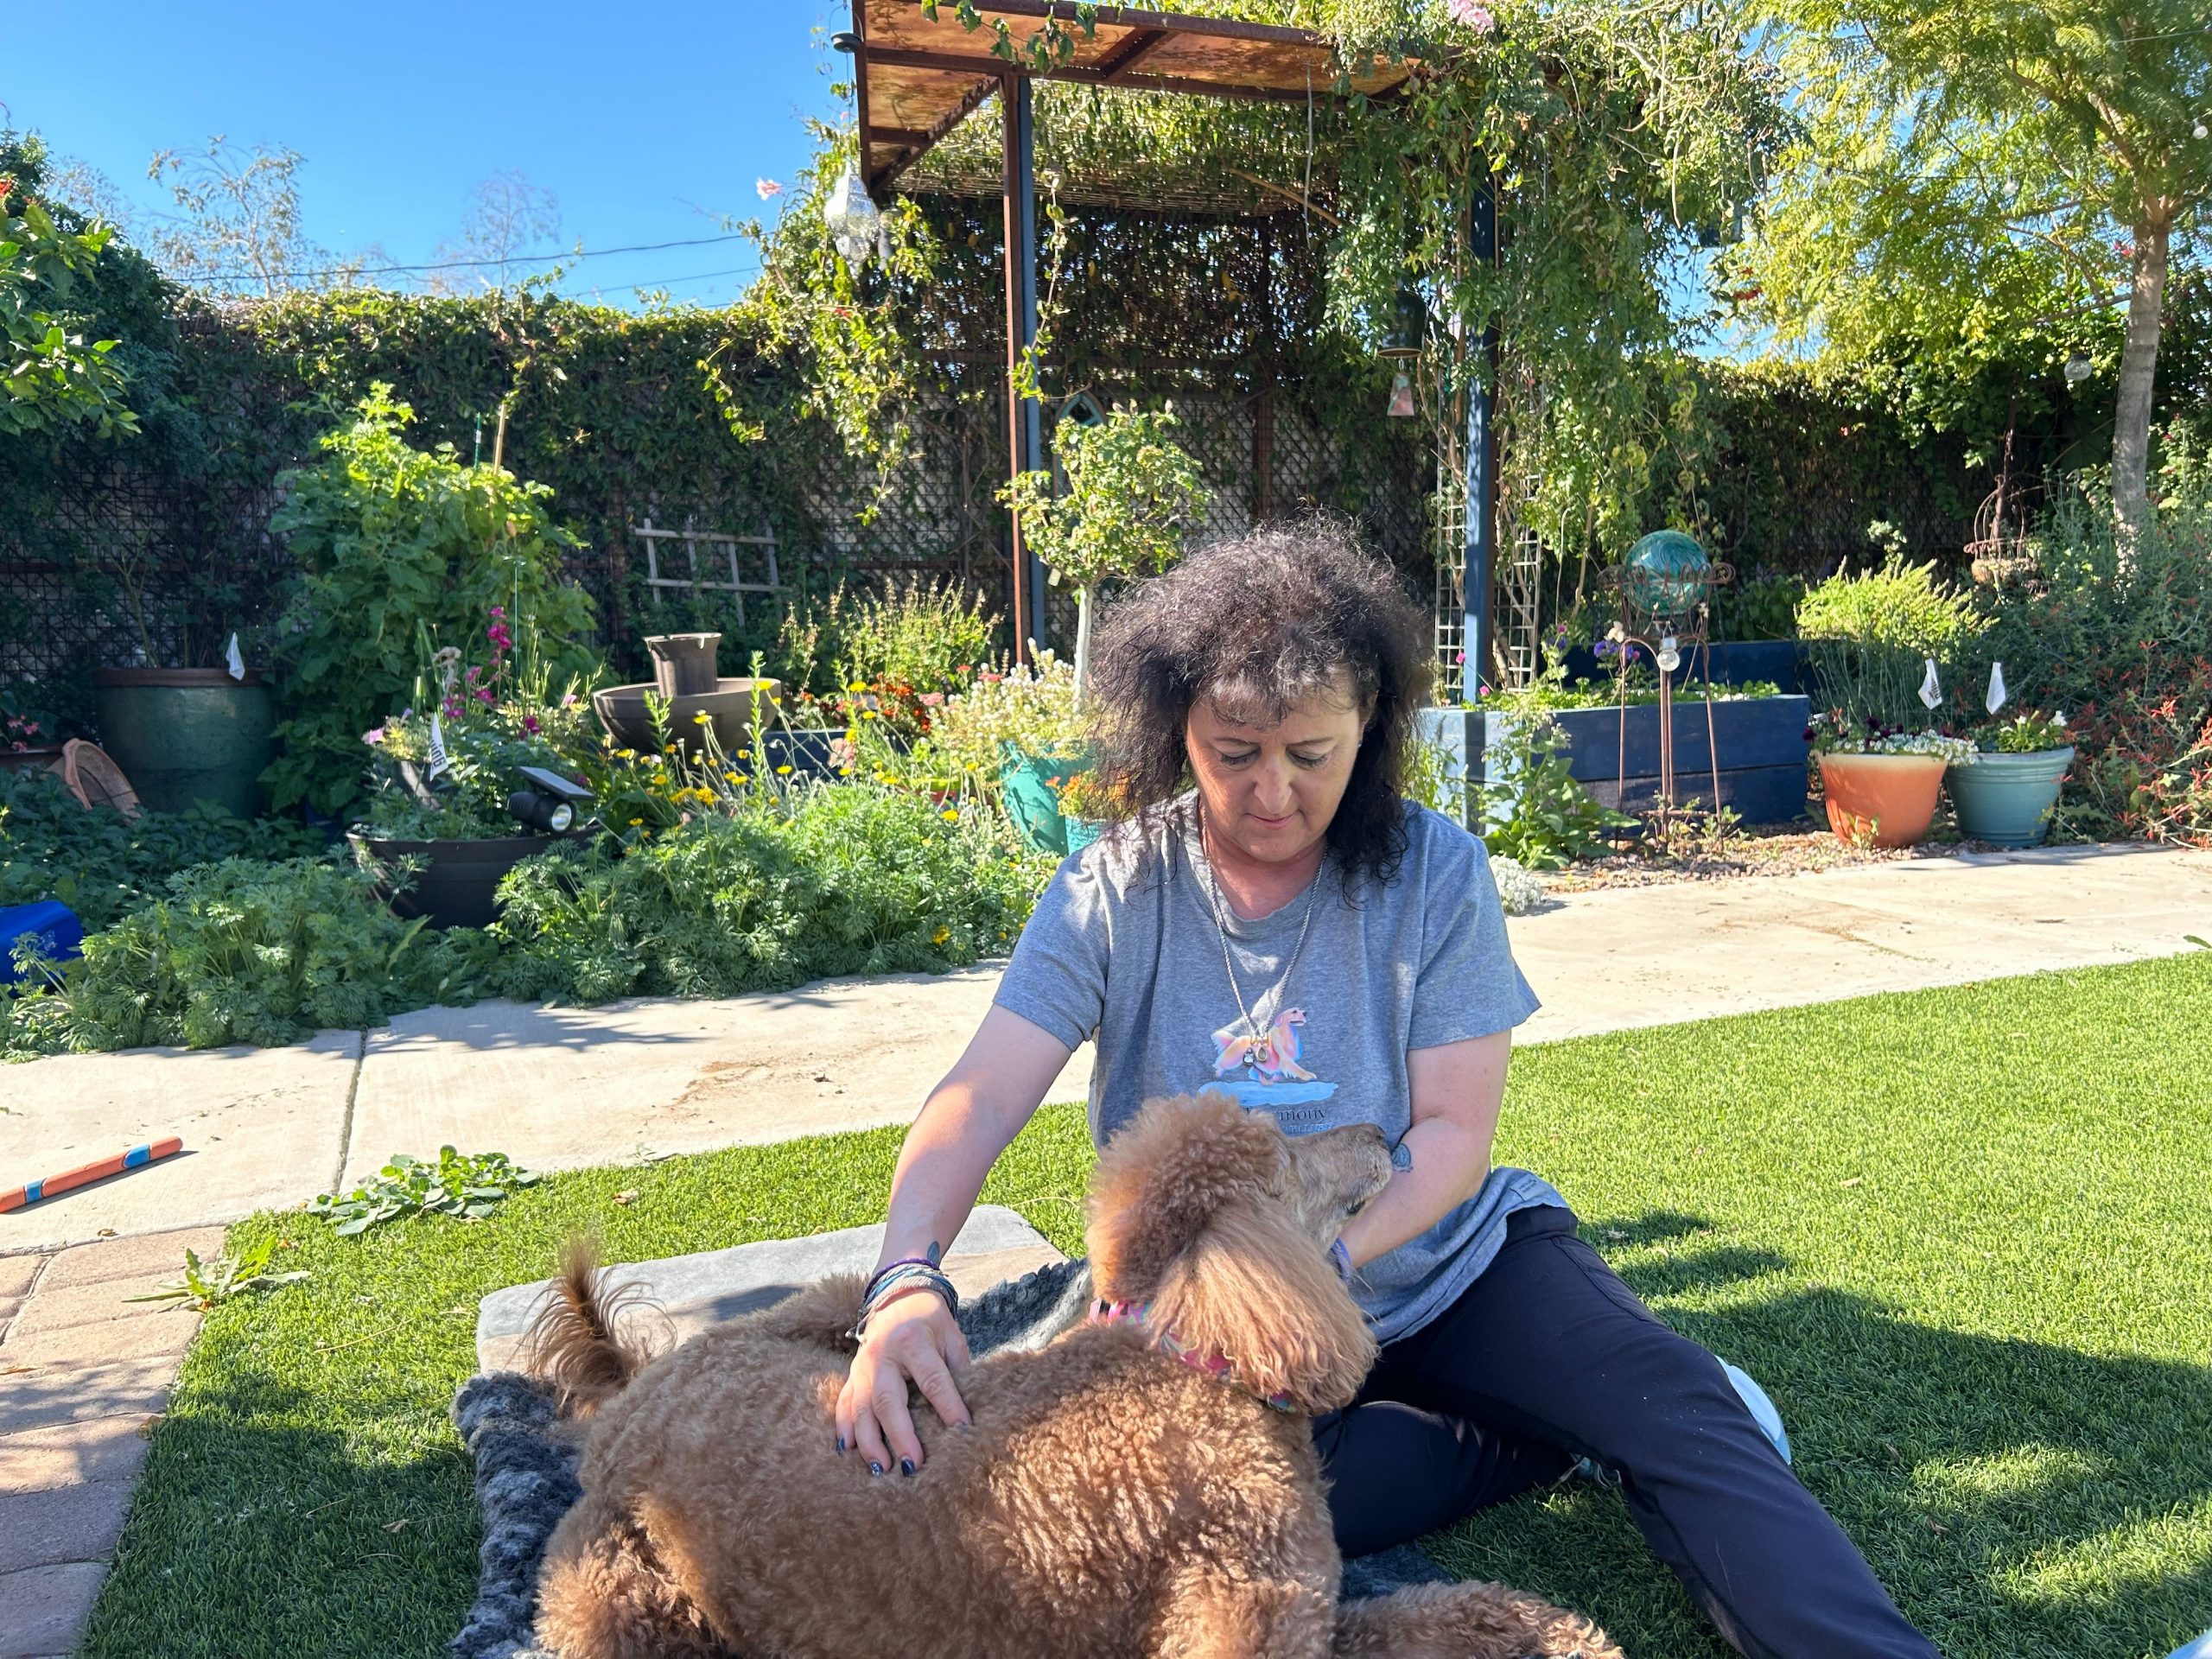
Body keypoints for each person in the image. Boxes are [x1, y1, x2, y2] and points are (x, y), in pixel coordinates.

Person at [836, 523, 1940, 1658]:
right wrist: (905, 1279)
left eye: (1311, 753)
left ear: (1369, 725)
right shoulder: (1112, 887)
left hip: (1451, 1266)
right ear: (1178, 729)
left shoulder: (1436, 871)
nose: (1272, 791)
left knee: (1681, 1416)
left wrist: (1322, 1262)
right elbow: (980, 1094)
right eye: (1234, 752)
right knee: (1212, 1516)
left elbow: (1454, 1134)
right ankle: (1546, 1437)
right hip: (1221, 1328)